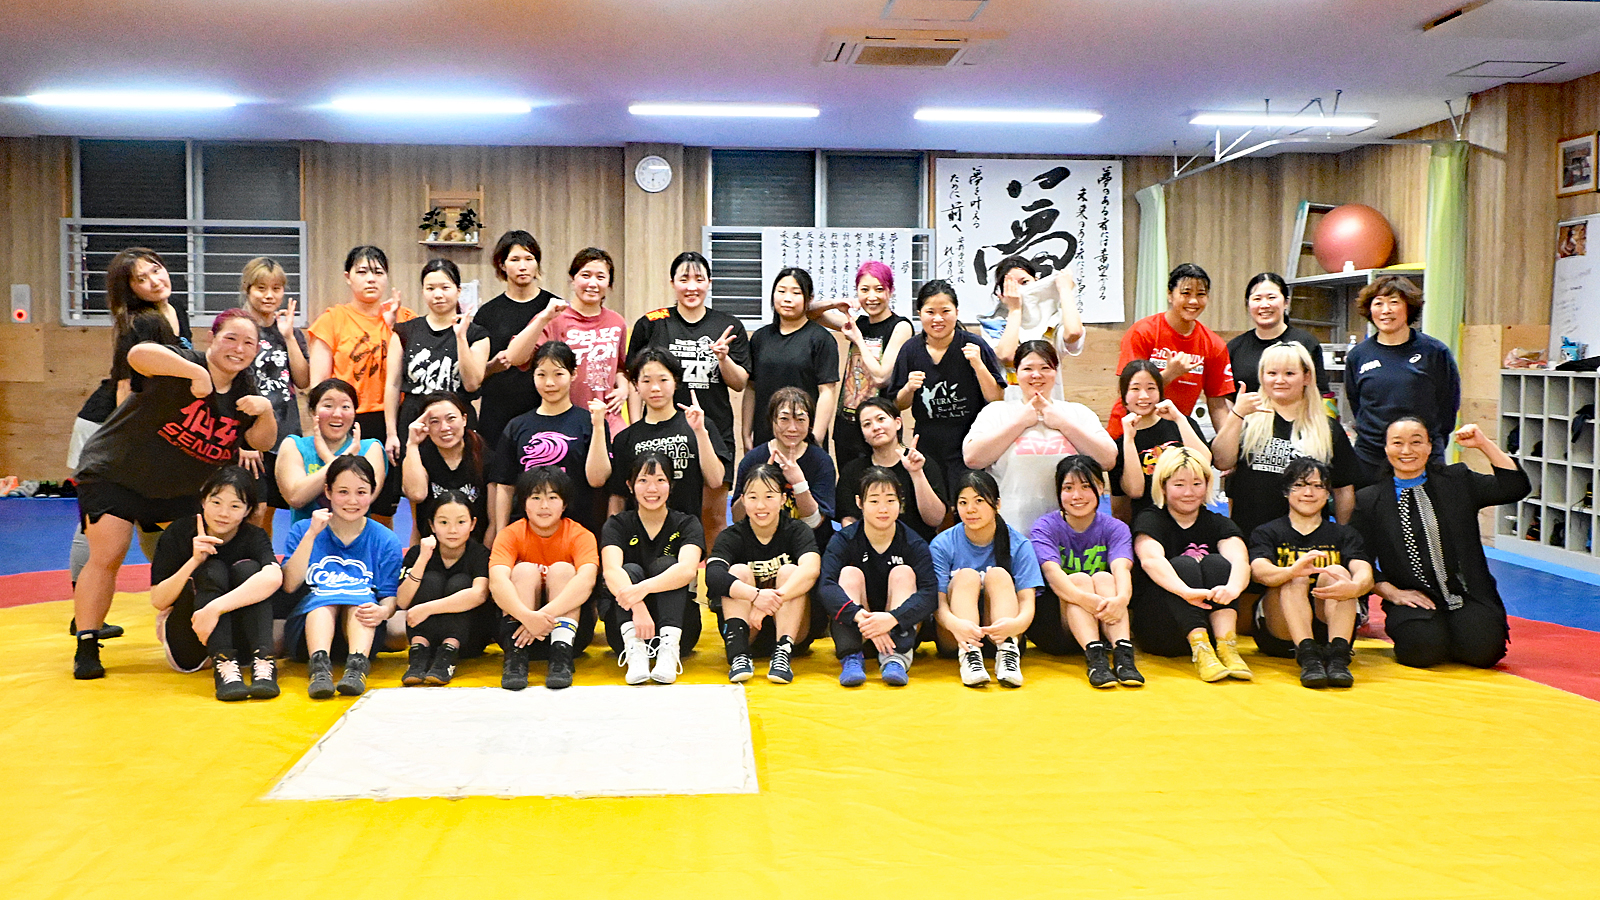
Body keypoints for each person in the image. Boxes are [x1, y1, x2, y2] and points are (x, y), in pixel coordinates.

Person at [71, 311, 276, 680]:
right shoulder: (185, 362)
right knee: (109, 552)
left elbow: (261, 441)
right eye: (231, 338)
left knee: (205, 554)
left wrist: (266, 412)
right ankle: (87, 642)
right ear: (212, 338)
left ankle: (188, 623)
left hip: (179, 490)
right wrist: (194, 373)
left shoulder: (247, 388)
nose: (238, 348)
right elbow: (138, 355)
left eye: (248, 342)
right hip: (117, 473)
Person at [66, 246, 194, 639]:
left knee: (150, 510)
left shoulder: (176, 309)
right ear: (131, 289)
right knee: (98, 521)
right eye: (141, 279)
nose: (154, 280)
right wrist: (133, 442)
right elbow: (126, 389)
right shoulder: (137, 324)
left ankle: (172, 592)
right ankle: (84, 615)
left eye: (155, 269)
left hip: (146, 425)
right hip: (110, 425)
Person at [1351, 419, 1529, 669]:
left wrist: (1483, 443)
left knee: (1483, 652)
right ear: (1386, 448)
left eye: (1416, 442)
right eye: (1398, 443)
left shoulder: (1457, 480)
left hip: (1466, 593)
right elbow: (1358, 556)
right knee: (1422, 652)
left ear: (1429, 446)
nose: (1406, 451)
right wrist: (1392, 593)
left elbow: (1514, 487)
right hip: (1412, 598)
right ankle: (1434, 633)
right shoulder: (1369, 499)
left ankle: (1457, 632)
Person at [627, 251, 751, 544]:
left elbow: (740, 383)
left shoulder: (728, 325)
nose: (691, 287)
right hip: (661, 432)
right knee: (663, 512)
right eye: (684, 279)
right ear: (672, 282)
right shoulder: (652, 322)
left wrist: (723, 358)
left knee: (713, 517)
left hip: (713, 430)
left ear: (709, 282)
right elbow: (634, 379)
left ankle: (712, 573)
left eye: (699, 279)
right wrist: (635, 427)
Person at [147, 466, 283, 700]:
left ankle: (263, 660)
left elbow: (274, 577)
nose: (223, 513)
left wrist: (215, 608)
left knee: (250, 571)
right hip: (190, 641)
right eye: (216, 502)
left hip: (240, 644)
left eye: (235, 506)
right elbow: (159, 600)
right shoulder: (179, 532)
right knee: (212, 569)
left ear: (247, 510)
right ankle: (223, 664)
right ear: (203, 501)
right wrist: (193, 561)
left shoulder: (253, 536)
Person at [307, 245, 416, 525]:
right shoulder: (332, 320)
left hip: (393, 420)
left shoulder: (406, 319)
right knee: (343, 498)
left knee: (383, 506)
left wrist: (394, 327)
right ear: (348, 277)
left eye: (378, 272)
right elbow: (318, 387)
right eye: (362, 272)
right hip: (347, 420)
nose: (371, 279)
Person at [280, 455, 404, 699]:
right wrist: (311, 535)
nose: (352, 501)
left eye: (361, 492)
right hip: (309, 633)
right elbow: (290, 584)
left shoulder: (386, 539)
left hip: (362, 633)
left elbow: (389, 596)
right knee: (324, 602)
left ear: (373, 492)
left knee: (360, 603)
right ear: (328, 491)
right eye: (343, 492)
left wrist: (383, 612)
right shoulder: (303, 530)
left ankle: (357, 669)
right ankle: (319, 669)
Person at [963, 339, 1116, 530]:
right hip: (1012, 529)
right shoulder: (997, 412)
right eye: (1028, 369)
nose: (1036, 375)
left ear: (1055, 372)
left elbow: (1107, 460)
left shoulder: (1077, 412)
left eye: (1045, 368)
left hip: (1068, 532)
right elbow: (972, 459)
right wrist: (1019, 423)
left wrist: (1063, 424)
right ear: (1016, 373)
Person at [1211, 341, 1358, 540]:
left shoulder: (1328, 428)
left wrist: (1343, 537)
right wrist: (1236, 414)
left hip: (1310, 541)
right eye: (1272, 373)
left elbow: (1343, 490)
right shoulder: (1245, 421)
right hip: (1251, 538)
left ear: (1306, 377)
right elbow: (1222, 461)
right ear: (1262, 376)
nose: (1280, 380)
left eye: (1289, 373)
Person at [1249, 458, 1375, 688]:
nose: (1309, 493)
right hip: (1282, 629)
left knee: (1336, 571)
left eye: (1318, 486)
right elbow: (1259, 570)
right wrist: (1291, 570)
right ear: (1286, 491)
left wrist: (1355, 587)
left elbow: (1364, 571)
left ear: (1327, 493)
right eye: (1299, 485)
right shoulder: (1267, 532)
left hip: (1328, 623)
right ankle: (1307, 655)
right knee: (1295, 577)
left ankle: (1338, 657)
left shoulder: (1344, 534)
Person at [1130, 447, 1252, 682]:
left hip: (1210, 622)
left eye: (1197, 484)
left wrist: (1233, 588)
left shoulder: (1217, 522)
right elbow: (1151, 560)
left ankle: (1227, 646)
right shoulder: (1150, 519)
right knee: (1183, 565)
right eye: (1179, 485)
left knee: (1217, 562)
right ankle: (1200, 649)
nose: (1189, 492)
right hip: (1165, 628)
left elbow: (1240, 560)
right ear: (1163, 486)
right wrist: (1185, 591)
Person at [1028, 456, 1144, 688]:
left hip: (1103, 620)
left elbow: (1122, 569)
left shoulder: (1115, 528)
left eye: (1085, 487)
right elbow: (1052, 575)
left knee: (1104, 578)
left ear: (1100, 488)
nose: (1077, 496)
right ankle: (1095, 660)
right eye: (1068, 488)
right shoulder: (1045, 527)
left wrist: (1122, 600)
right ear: (1059, 492)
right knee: (1079, 579)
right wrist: (1085, 599)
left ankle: (1123, 655)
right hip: (1057, 625)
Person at [816, 467, 937, 687]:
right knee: (849, 574)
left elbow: (930, 594)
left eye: (890, 500)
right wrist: (862, 618)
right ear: (859, 503)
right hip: (859, 628)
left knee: (903, 573)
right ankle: (852, 658)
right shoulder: (844, 540)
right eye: (874, 501)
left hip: (898, 631)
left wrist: (892, 619)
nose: (883, 509)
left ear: (900, 503)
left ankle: (896, 659)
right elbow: (826, 586)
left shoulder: (913, 543)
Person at [887, 279, 1005, 496]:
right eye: (930, 312)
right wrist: (909, 388)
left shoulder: (974, 345)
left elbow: (996, 398)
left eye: (945, 311)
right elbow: (897, 404)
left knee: (968, 502)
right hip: (928, 445)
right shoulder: (910, 350)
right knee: (933, 504)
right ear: (920, 314)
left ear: (957, 312)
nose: (938, 319)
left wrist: (978, 365)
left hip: (969, 443)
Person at [489, 466, 601, 691]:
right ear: (523, 503)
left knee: (563, 570)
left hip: (570, 635)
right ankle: (516, 659)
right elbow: (497, 583)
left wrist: (540, 618)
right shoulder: (510, 534)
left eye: (552, 498)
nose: (544, 506)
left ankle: (561, 659)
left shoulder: (581, 535)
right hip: (518, 633)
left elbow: (586, 582)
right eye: (536, 498)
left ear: (564, 504)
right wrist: (526, 617)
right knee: (523, 570)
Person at [707, 464, 821, 684]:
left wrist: (770, 602)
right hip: (748, 629)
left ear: (782, 499)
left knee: (790, 571)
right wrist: (756, 596)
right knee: (738, 571)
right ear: (742, 500)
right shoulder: (732, 536)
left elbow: (811, 569)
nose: (761, 505)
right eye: (753, 497)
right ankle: (739, 655)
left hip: (794, 632)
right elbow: (713, 575)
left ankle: (782, 654)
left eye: (769, 496)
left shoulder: (797, 530)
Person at [599, 452, 707, 685]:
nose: (652, 489)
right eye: (643, 480)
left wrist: (643, 589)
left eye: (660, 480)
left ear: (671, 485)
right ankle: (636, 653)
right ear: (630, 486)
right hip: (625, 629)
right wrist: (638, 606)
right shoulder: (617, 524)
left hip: (681, 629)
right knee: (628, 569)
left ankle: (668, 651)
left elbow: (687, 570)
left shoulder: (687, 523)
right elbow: (611, 571)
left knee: (667, 565)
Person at [1344, 275, 1461, 484]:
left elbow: (1448, 405)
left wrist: (1425, 443)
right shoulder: (1358, 355)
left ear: (1409, 307)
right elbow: (1357, 403)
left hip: (1422, 457)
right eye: (1378, 303)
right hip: (1371, 457)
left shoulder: (1435, 352)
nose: (1386, 310)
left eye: (1394, 302)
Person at [931, 470, 1042, 688]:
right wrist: (956, 625)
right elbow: (938, 605)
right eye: (963, 502)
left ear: (997, 504)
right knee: (967, 576)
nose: (970, 509)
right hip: (956, 635)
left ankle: (1008, 655)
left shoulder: (1019, 544)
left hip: (1002, 633)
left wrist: (1014, 625)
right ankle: (970, 657)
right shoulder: (942, 544)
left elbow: (1028, 604)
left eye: (979, 501)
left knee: (998, 574)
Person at [490, 341, 611, 538]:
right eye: (541, 375)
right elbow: (505, 486)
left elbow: (597, 480)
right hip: (526, 534)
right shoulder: (516, 426)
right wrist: (502, 536)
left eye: (558, 374)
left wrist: (598, 426)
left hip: (577, 533)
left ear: (573, 374)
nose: (549, 383)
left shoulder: (590, 423)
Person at [1107, 263, 1235, 441]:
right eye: (1186, 293)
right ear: (1169, 294)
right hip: (1130, 431)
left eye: (1201, 294)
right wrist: (1170, 374)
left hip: (1174, 435)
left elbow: (1217, 404)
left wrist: (1229, 445)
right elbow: (1127, 390)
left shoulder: (1214, 344)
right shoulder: (1143, 332)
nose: (1193, 301)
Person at [508, 247, 628, 435]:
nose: (592, 283)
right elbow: (514, 357)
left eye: (600, 277)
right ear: (573, 279)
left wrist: (623, 388)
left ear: (609, 283)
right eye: (585, 275)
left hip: (608, 420)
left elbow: (620, 367)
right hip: (564, 422)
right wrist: (543, 318)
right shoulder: (555, 317)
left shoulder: (617, 322)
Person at [384, 258, 489, 467]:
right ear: (423, 291)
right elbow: (393, 385)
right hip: (415, 422)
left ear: (458, 291)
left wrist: (460, 337)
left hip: (456, 424)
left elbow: (472, 383)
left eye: (445, 287)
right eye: (430, 288)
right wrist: (391, 433)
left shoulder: (477, 334)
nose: (438, 294)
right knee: (414, 482)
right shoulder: (405, 332)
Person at [235, 256, 308, 535]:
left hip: (286, 432)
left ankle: (263, 557)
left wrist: (288, 337)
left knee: (277, 509)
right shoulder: (238, 328)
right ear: (247, 288)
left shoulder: (289, 332)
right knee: (255, 509)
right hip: (250, 435)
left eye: (276, 289)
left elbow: (303, 380)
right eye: (261, 288)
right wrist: (243, 440)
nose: (269, 295)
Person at [608, 348, 726, 520]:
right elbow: (618, 496)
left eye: (663, 380)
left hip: (686, 530)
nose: (655, 388)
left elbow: (715, 481)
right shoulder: (625, 438)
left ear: (675, 381)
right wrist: (613, 532)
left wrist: (700, 432)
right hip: (638, 532)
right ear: (636, 385)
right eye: (646, 381)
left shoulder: (700, 425)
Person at [818, 261, 913, 466]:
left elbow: (882, 376)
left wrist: (858, 339)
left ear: (890, 291)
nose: (872, 297)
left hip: (880, 428)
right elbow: (809, 313)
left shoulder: (901, 326)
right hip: (847, 426)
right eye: (864, 290)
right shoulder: (858, 323)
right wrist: (835, 303)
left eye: (879, 289)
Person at [474, 230, 560, 453]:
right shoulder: (487, 314)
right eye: (514, 260)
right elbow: (473, 377)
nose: (523, 266)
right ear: (502, 265)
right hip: (498, 414)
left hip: (545, 411)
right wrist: (492, 367)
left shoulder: (555, 307)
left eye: (529, 259)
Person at [397, 491, 492, 687]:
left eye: (461, 522)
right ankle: (418, 655)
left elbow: (479, 594)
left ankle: (448, 655)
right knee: (431, 580)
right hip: (427, 634)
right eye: (443, 522)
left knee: (460, 582)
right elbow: (402, 601)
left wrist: (428, 608)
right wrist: (422, 559)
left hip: (468, 639)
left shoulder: (479, 553)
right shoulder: (418, 553)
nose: (452, 530)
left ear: (472, 524)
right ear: (432, 525)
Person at [733, 387, 837, 560]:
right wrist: (757, 485)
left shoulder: (821, 461)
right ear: (772, 421)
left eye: (800, 420)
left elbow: (814, 523)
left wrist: (799, 483)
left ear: (810, 423)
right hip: (761, 549)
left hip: (810, 549)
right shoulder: (753, 459)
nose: (792, 428)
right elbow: (738, 518)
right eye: (784, 419)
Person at [745, 267, 840, 450]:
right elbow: (751, 388)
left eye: (796, 293)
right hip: (765, 437)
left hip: (804, 438)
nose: (787, 298)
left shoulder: (821, 339)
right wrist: (746, 433)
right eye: (781, 291)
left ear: (809, 299)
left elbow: (827, 392)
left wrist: (816, 439)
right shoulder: (760, 338)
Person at [275, 378, 387, 524]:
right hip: (307, 535)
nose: (337, 414)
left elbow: (362, 500)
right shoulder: (294, 445)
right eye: (328, 406)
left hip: (354, 535)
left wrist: (328, 458)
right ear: (312, 411)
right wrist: (345, 457)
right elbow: (296, 498)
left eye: (345, 407)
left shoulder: (370, 448)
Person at [1110, 360, 1210, 522]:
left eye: (1151, 388)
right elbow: (1135, 491)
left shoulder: (1182, 424)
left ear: (1160, 392)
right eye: (1135, 389)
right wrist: (1129, 439)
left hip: (1191, 519)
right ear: (1124, 395)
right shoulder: (1120, 444)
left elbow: (1205, 463)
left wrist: (1179, 419)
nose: (1144, 396)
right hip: (1148, 523)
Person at [834, 397, 947, 542]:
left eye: (881, 419)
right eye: (867, 424)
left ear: (898, 423)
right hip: (869, 548)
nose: (875, 427)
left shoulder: (922, 463)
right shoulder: (852, 470)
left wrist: (916, 473)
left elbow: (935, 519)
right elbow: (848, 520)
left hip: (916, 546)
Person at [974, 255, 1087, 390]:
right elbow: (1007, 356)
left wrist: (1065, 290)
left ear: (1037, 282)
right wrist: (1015, 310)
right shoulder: (993, 322)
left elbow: (1074, 333)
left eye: (1025, 282)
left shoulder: (1052, 319)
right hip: (1010, 399)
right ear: (1001, 294)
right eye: (1011, 286)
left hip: (1049, 398)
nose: (1019, 290)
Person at [1225, 273, 1330, 398]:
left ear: (1286, 302)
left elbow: (1321, 393)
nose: (1264, 305)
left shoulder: (1306, 343)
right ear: (1248, 304)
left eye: (1271, 297)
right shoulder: (1234, 348)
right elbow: (1226, 397)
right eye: (1257, 299)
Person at [402, 392, 489, 542]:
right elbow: (417, 495)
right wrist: (412, 444)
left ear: (464, 419)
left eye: (451, 418)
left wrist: (486, 555)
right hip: (432, 547)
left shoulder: (485, 456)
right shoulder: (417, 457)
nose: (444, 427)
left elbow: (494, 523)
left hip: (475, 547)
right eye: (434, 421)